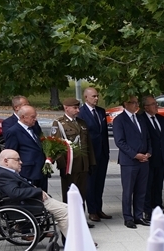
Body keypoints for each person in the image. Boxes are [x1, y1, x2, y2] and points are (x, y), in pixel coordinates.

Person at [0, 149, 70, 241]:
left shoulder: (5, 172)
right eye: (17, 160)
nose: (21, 162)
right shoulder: (3, 175)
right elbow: (15, 193)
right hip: (29, 204)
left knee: (71, 209)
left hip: (33, 201)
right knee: (66, 213)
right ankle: (73, 243)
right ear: (6, 161)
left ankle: (74, 240)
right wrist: (37, 191)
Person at [111, 96, 151, 228]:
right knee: (128, 191)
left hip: (144, 160)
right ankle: (128, 217)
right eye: (133, 103)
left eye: (137, 102)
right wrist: (135, 155)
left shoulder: (140, 118)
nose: (136, 105)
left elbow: (147, 138)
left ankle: (138, 216)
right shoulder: (119, 120)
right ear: (125, 104)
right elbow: (120, 142)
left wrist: (148, 152)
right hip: (129, 161)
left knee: (141, 190)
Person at [51, 98, 96, 206]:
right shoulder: (59, 123)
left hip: (83, 165)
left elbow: (88, 144)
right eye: (75, 108)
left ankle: (81, 215)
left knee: (82, 194)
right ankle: (70, 215)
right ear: (66, 108)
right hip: (70, 166)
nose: (78, 110)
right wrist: (62, 165)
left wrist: (91, 163)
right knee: (70, 195)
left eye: (78, 107)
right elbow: (56, 146)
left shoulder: (81, 123)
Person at [79, 87, 111, 222]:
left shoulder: (101, 111)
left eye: (97, 96)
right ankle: (92, 210)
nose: (96, 98)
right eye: (93, 96)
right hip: (90, 153)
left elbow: (103, 133)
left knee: (100, 182)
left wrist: (106, 151)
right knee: (90, 183)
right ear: (86, 97)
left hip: (102, 152)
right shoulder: (81, 112)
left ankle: (99, 208)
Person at [2, 105, 48, 191]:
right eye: (32, 117)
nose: (35, 119)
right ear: (23, 117)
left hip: (40, 170)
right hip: (27, 172)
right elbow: (11, 152)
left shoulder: (33, 128)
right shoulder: (13, 131)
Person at [138, 96, 164, 221]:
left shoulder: (161, 119)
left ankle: (158, 208)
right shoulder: (141, 119)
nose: (156, 106)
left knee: (158, 184)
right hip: (148, 158)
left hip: (161, 158)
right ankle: (147, 210)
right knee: (148, 185)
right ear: (146, 107)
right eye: (153, 104)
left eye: (156, 103)